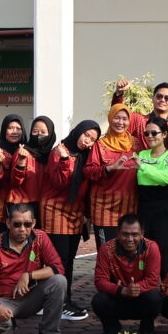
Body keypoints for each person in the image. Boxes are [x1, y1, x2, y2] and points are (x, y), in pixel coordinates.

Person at [0, 204, 70, 334]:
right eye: (17, 224)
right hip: (5, 300)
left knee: (59, 281)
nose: (22, 229)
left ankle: (49, 332)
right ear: (8, 223)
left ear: (34, 223)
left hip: (32, 297)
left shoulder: (40, 237)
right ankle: (6, 332)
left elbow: (58, 268)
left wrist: (28, 275)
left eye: (27, 224)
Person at [45, 120, 99, 322]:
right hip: (56, 210)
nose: (87, 141)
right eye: (86, 135)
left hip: (75, 212)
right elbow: (59, 183)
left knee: (69, 259)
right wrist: (65, 160)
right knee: (59, 260)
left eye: (92, 139)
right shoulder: (59, 151)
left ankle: (65, 300)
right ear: (78, 131)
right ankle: (58, 304)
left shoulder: (86, 155)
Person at [90, 214, 163, 334]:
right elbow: (100, 281)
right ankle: (111, 328)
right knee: (99, 300)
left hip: (141, 298)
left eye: (135, 235)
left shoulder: (152, 247)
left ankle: (146, 328)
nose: (130, 239)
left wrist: (135, 289)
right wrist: (121, 290)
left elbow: (152, 280)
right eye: (125, 234)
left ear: (142, 234)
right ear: (118, 233)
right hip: (118, 297)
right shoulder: (106, 249)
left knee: (155, 297)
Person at [86, 105, 141, 246]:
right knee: (107, 251)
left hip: (129, 207)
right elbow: (89, 171)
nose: (120, 122)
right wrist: (109, 168)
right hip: (104, 209)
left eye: (125, 119)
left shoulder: (136, 144)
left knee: (128, 251)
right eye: (117, 118)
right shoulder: (100, 145)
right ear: (110, 119)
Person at [135, 116, 168, 272]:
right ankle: (146, 286)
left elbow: (167, 178)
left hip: (166, 209)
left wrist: (143, 167)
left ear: (164, 134)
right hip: (145, 208)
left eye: (154, 133)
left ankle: (167, 286)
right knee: (144, 252)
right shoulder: (142, 154)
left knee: (164, 254)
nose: (150, 136)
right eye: (146, 133)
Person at [7, 116, 57, 220]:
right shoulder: (23, 152)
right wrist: (21, 161)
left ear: (51, 134)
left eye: (43, 132)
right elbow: (15, 181)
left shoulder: (52, 156)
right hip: (21, 206)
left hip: (42, 205)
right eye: (35, 131)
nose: (39, 135)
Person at [0, 114, 27, 231]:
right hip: (0, 211)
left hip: (22, 210)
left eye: (18, 128)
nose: (15, 132)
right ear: (4, 130)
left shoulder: (27, 151)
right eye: (10, 128)